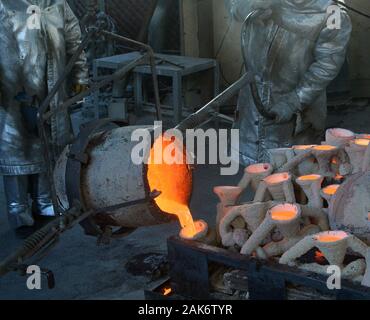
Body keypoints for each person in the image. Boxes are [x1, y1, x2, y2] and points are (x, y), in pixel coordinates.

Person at [0, 0, 88, 238]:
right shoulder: (5, 4)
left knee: (48, 148)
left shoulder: (57, 4)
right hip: (13, 95)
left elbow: (73, 40)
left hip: (52, 92)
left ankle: (46, 203)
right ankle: (18, 211)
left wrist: (80, 74)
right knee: (18, 152)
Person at [227, 0, 352, 165]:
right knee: (256, 173)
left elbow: (327, 65)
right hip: (251, 110)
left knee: (295, 173)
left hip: (296, 117)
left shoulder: (333, 13)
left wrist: (294, 101)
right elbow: (234, 6)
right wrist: (246, 7)